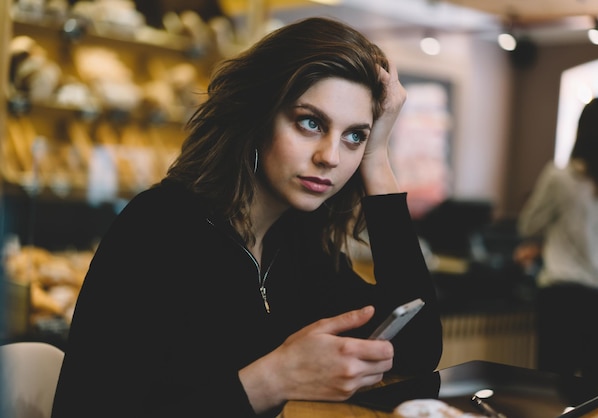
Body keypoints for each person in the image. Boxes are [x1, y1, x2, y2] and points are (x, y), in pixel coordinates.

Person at [51, 17, 443, 418]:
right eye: (310, 122)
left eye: (354, 136)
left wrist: (377, 160)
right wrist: (270, 380)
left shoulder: (296, 239)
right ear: (258, 119)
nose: (331, 157)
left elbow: (418, 349)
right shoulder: (158, 229)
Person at [517, 97, 598, 381]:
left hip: (563, 303)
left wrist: (546, 241)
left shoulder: (559, 178)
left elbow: (528, 224)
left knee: (554, 396)